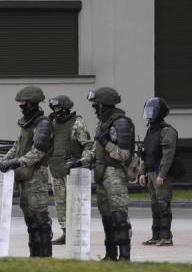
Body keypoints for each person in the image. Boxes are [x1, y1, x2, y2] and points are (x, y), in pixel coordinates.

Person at [67, 87, 136, 261]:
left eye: (96, 105)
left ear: (104, 105)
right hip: (101, 173)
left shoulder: (121, 123)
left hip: (116, 175)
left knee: (119, 216)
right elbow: (96, 152)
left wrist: (105, 142)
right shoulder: (102, 124)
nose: (94, 109)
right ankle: (111, 254)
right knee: (106, 217)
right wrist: (80, 162)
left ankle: (125, 257)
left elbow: (124, 154)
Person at [0, 86, 54, 258]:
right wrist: (1, 162)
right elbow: (17, 147)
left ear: (32, 103)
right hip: (24, 175)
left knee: (40, 216)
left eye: (23, 103)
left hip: (37, 175)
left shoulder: (43, 124)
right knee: (30, 218)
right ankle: (34, 255)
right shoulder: (27, 124)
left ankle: (45, 256)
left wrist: (17, 162)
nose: (21, 107)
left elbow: (39, 151)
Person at [46, 95, 91, 245]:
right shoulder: (51, 123)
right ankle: (66, 232)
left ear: (65, 107)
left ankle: (78, 232)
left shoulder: (77, 122)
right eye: (54, 108)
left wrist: (81, 163)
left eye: (58, 107)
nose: (55, 111)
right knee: (60, 203)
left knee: (75, 202)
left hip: (72, 168)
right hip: (56, 167)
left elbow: (87, 145)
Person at [139, 97, 180, 247]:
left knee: (163, 205)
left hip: (160, 174)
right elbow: (146, 153)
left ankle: (166, 237)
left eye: (151, 111)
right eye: (147, 111)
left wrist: (162, 174)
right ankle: (156, 236)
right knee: (155, 206)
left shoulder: (167, 131)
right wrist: (142, 172)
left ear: (159, 112)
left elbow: (168, 155)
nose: (149, 114)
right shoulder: (151, 130)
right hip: (150, 173)